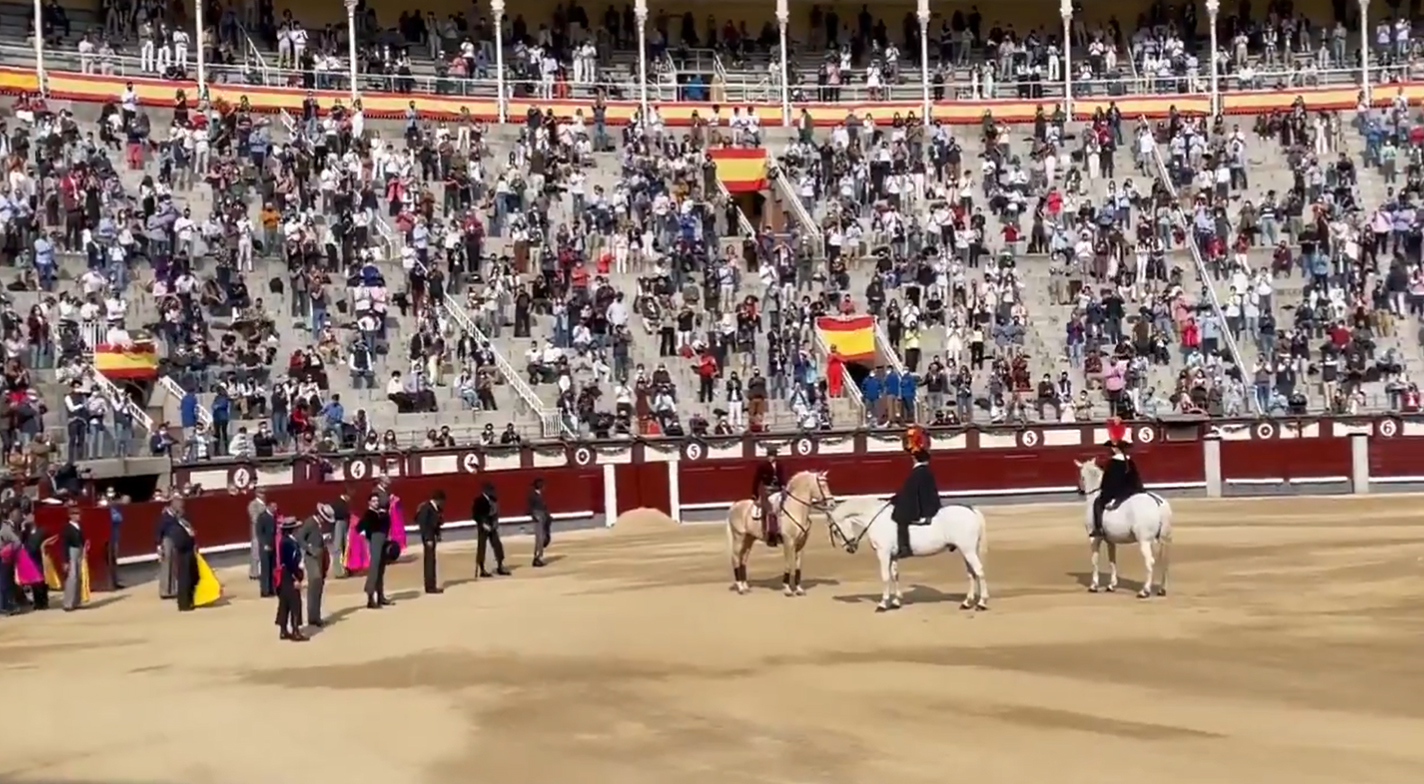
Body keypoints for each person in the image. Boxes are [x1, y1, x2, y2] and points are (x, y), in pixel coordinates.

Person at [1093, 421, 1144, 539]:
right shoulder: (1129, 461)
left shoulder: (1113, 463)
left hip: (1118, 492)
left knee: (1098, 502)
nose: (1111, 448)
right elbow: (1136, 478)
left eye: (1112, 446)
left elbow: (1109, 482)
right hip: (1133, 491)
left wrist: (1104, 491)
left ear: (1115, 449)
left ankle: (1098, 529)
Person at [890, 449, 941, 559]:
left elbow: (909, 492)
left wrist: (896, 500)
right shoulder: (926, 471)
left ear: (914, 459)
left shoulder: (917, 473)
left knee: (900, 518)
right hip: (930, 504)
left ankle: (904, 547)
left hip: (923, 506)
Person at [274, 516, 308, 641]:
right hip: (289, 575)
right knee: (295, 603)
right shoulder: (289, 543)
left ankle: (283, 631)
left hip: (284, 576)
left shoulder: (285, 541)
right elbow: (290, 563)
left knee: (284, 603)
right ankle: (295, 631)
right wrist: (296, 578)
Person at [356, 495, 393, 608]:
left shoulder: (380, 513)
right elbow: (359, 528)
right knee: (375, 567)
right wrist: (367, 535)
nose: (376, 503)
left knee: (381, 568)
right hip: (375, 540)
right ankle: (370, 597)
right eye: (374, 501)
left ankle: (380, 596)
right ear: (369, 503)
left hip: (382, 540)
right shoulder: (369, 514)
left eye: (377, 501)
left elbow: (387, 525)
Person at [298, 504, 330, 627]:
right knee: (315, 582)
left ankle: (316, 616)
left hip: (320, 554)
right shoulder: (310, 522)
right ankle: (313, 616)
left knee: (319, 583)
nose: (325, 520)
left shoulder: (317, 523)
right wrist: (309, 548)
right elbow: (300, 537)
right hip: (311, 557)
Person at [752, 446, 787, 546]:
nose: (770, 458)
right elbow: (756, 480)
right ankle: (770, 534)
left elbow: (782, 477)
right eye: (769, 456)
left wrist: (784, 486)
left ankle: (781, 532)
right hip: (767, 491)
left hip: (778, 490)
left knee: (783, 510)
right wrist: (755, 494)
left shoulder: (780, 465)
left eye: (772, 456)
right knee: (769, 511)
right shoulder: (762, 466)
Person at [472, 482, 509, 577]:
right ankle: (482, 569)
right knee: (481, 547)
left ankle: (500, 565)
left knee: (497, 545)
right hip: (483, 526)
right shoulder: (479, 500)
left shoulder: (493, 500)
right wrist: (483, 524)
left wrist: (495, 523)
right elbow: (475, 515)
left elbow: (495, 513)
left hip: (492, 525)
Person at [60, 505, 88, 611]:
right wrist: (65, 560)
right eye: (76, 513)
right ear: (70, 516)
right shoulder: (67, 528)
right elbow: (64, 545)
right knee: (72, 577)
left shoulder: (78, 526)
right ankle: (68, 603)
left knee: (79, 576)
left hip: (79, 551)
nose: (78, 515)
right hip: (72, 552)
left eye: (79, 513)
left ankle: (76, 601)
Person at [417, 489, 446, 593]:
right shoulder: (427, 507)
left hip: (431, 537)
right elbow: (423, 524)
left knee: (431, 561)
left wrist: (438, 535)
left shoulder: (434, 507)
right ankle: (430, 587)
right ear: (438, 500)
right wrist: (428, 538)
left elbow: (435, 523)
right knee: (429, 561)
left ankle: (431, 585)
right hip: (428, 538)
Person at [170, 511, 199, 612]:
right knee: (184, 579)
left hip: (189, 553)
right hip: (183, 554)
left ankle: (189, 601)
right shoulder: (175, 527)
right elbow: (179, 542)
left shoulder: (185, 525)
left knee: (190, 578)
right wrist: (189, 537)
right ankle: (184, 604)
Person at [155, 498, 183, 599]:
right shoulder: (165, 516)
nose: (181, 507)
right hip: (167, 541)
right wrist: (159, 545)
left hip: (174, 540)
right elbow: (159, 531)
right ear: (173, 505)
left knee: (173, 565)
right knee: (166, 565)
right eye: (179, 505)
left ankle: (172, 589)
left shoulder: (175, 515)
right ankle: (165, 591)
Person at [254, 499, 277, 597]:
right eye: (274, 507)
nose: (275, 509)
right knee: (265, 569)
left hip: (272, 545)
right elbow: (259, 533)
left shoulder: (273, 517)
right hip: (265, 547)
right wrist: (264, 544)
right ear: (268, 507)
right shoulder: (262, 517)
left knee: (272, 568)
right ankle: (264, 591)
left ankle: (271, 589)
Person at [529, 478, 551, 568]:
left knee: (542, 537)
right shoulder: (533, 496)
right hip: (538, 516)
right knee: (540, 538)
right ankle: (537, 558)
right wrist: (534, 516)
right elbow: (530, 507)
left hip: (542, 516)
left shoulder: (537, 495)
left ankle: (538, 557)